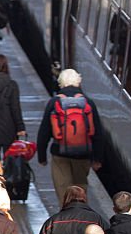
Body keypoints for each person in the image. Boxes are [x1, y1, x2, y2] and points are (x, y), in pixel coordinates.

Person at [36, 69, 104, 204]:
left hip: (60, 154)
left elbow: (44, 132)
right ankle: (81, 215)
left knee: (63, 190)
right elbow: (98, 133)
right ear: (78, 82)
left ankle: (65, 217)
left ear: (61, 84)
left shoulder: (54, 103)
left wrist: (42, 157)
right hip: (83, 154)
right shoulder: (87, 103)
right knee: (81, 188)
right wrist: (97, 159)